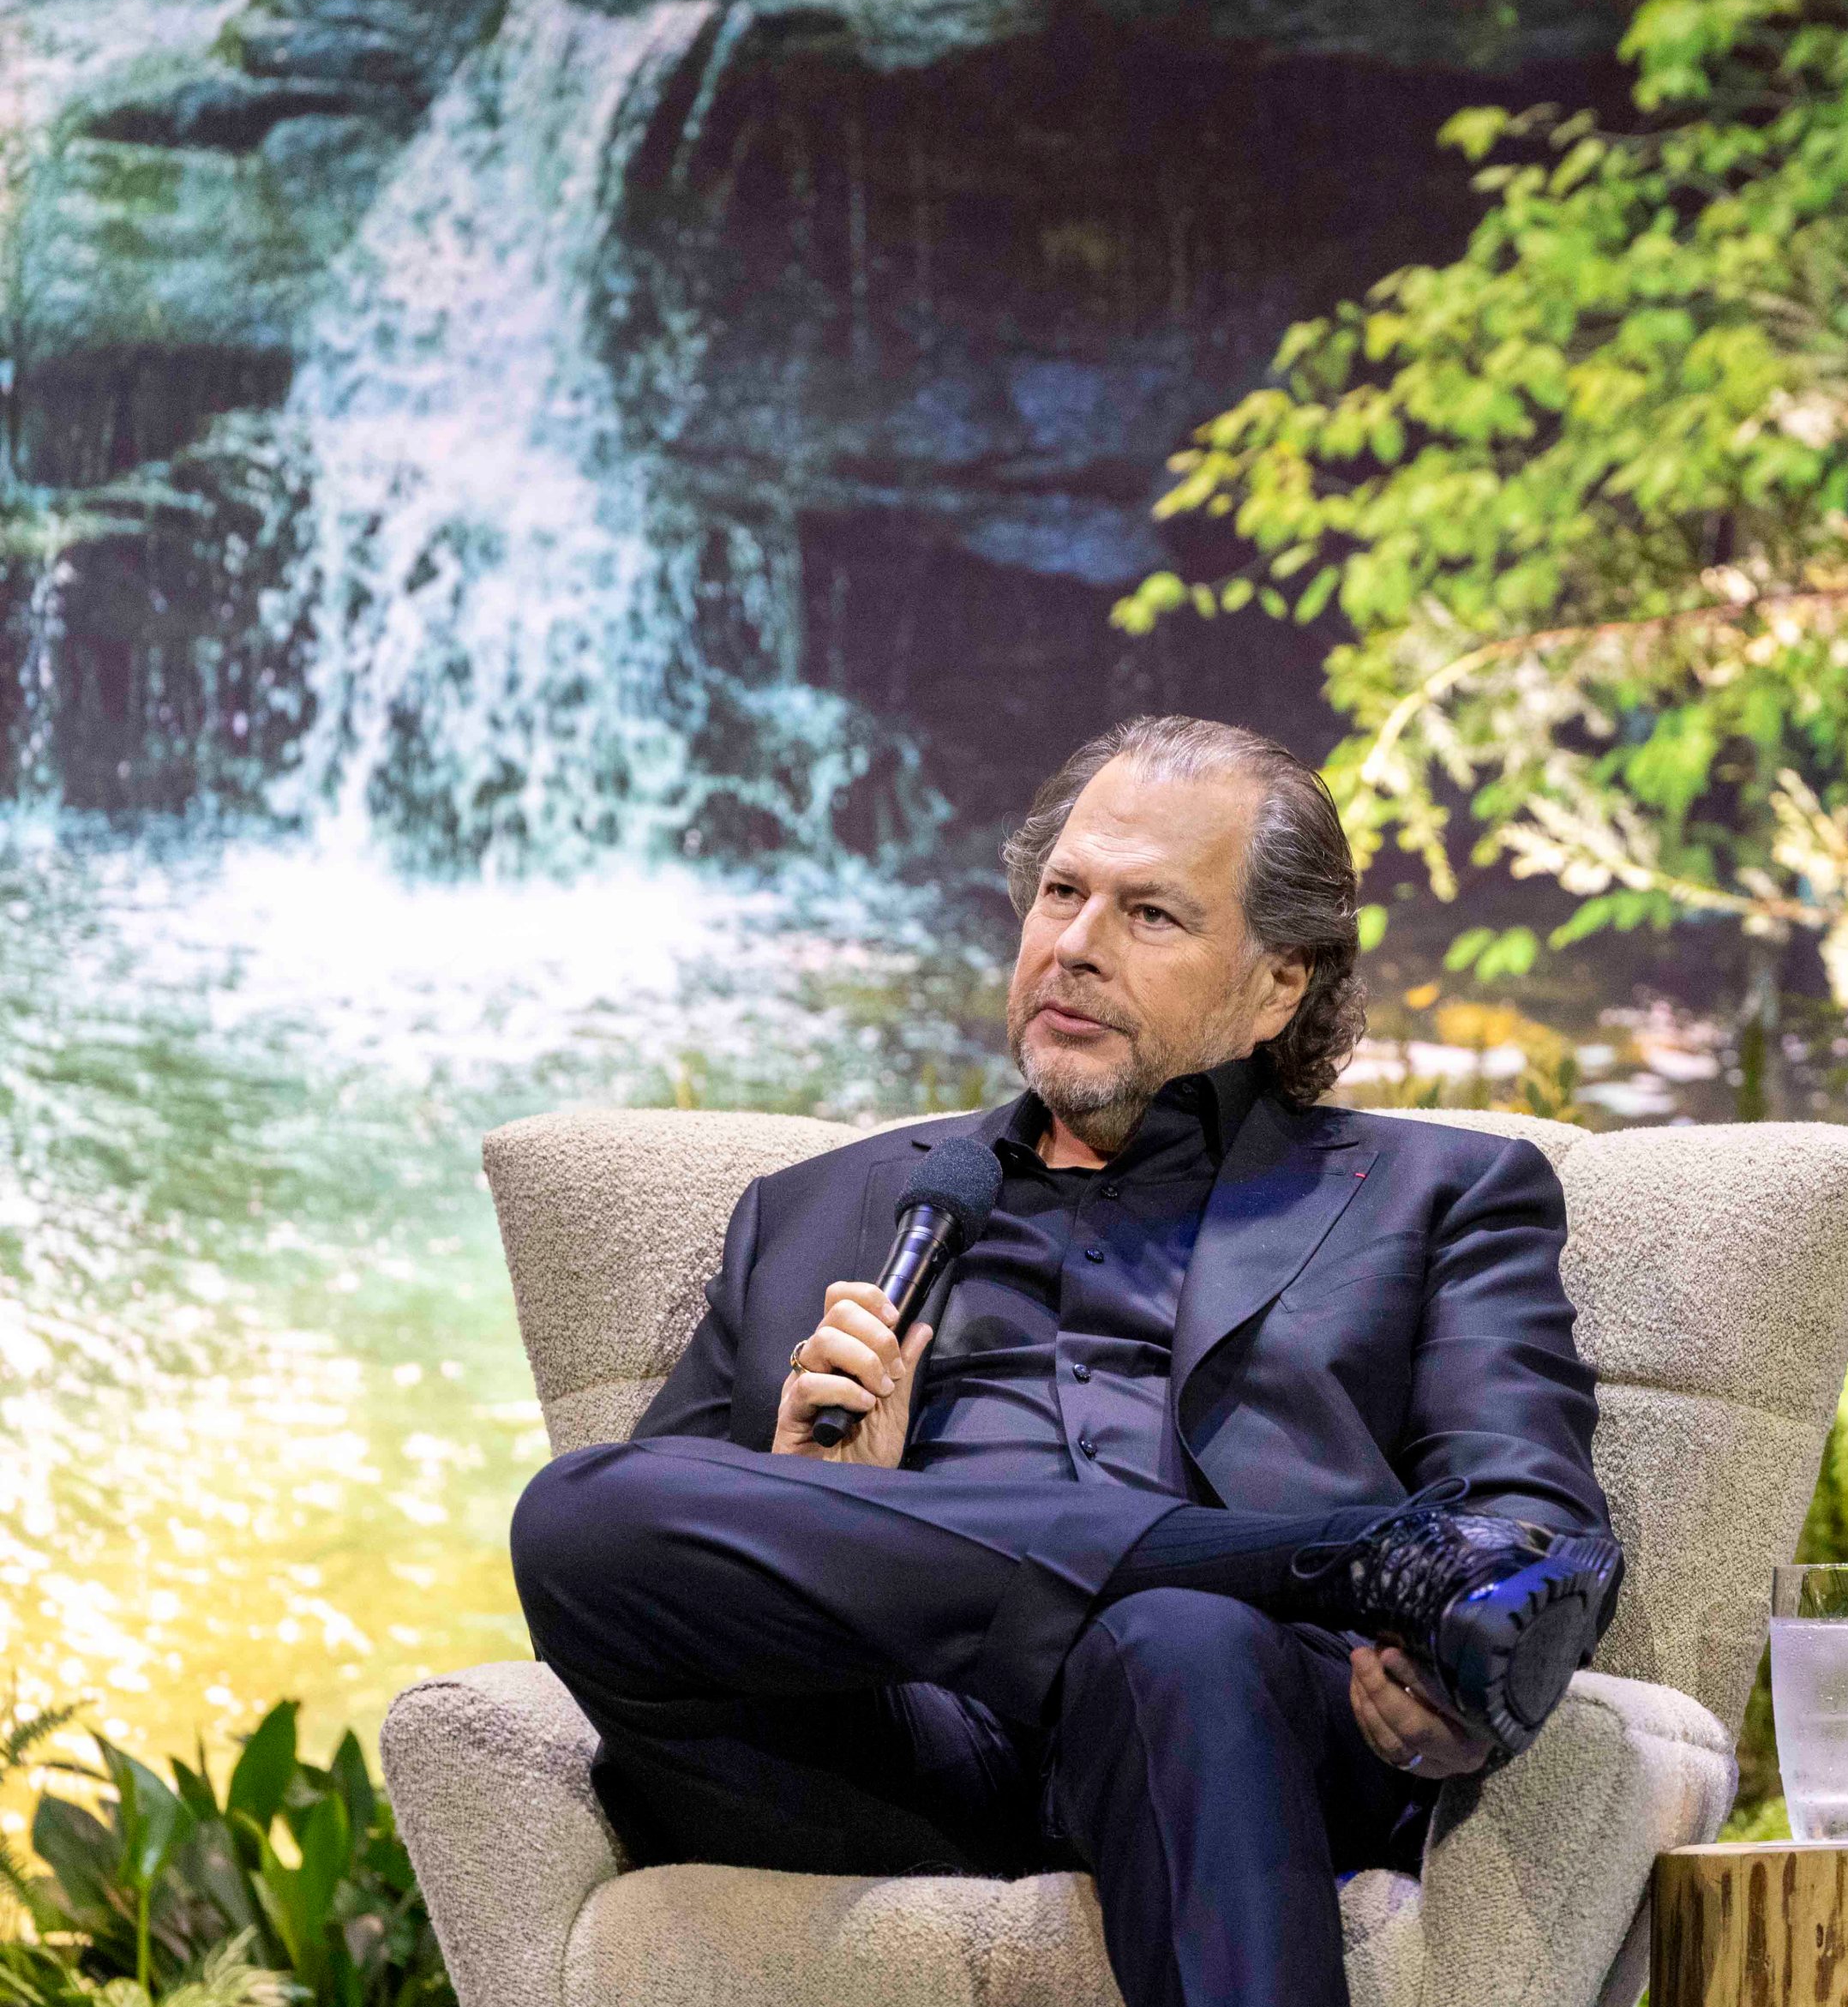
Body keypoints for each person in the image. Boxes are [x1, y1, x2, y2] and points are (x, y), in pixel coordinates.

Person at [508, 715, 1621, 2007]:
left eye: (1150, 914)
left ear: (1281, 984)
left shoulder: (1438, 1193)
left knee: (1176, 1632)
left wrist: (1459, 1695)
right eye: (1061, 892)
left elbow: (1532, 1534)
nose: (1076, 946)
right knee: (577, 1511)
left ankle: (1247, 1580)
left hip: (1222, 1720)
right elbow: (654, 1559)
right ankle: (1323, 1558)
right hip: (882, 1742)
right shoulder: (813, 1208)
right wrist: (823, 1497)